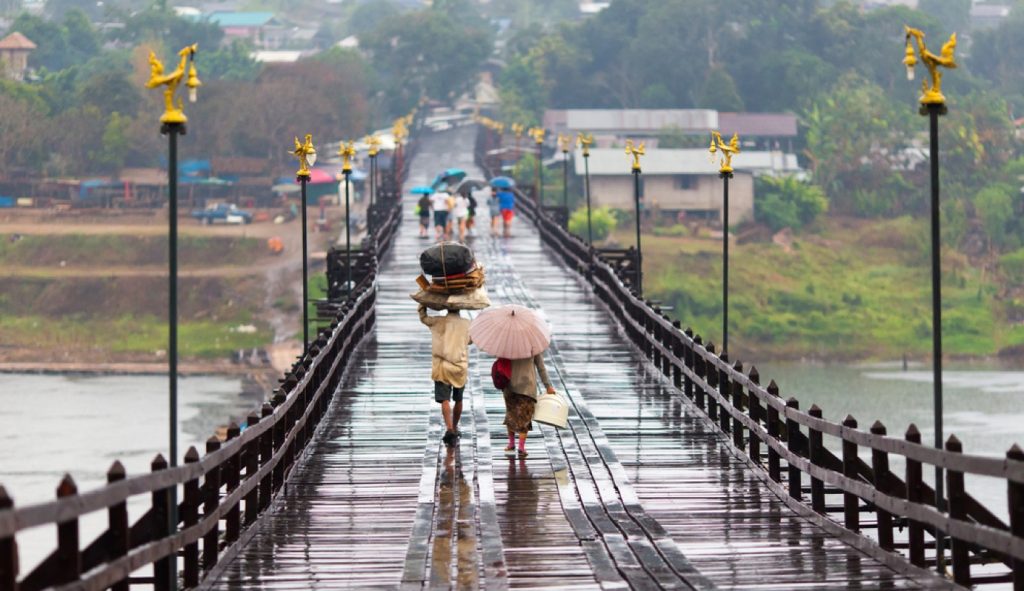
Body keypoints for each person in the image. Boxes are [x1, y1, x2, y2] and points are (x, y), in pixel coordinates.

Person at [419, 304, 473, 446]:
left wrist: (423, 304)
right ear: (460, 308)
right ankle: (455, 427)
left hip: (442, 366)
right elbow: (471, 340)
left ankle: (449, 428)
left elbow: (423, 318)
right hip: (459, 367)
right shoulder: (467, 324)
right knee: (459, 399)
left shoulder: (438, 321)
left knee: (445, 400)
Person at [502, 353, 555, 458]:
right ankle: (521, 447)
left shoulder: (507, 342)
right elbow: (541, 367)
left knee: (511, 415)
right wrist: (548, 386)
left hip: (509, 385)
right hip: (527, 387)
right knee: (525, 418)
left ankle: (511, 443)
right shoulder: (533, 345)